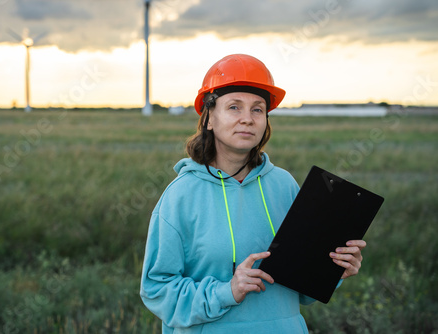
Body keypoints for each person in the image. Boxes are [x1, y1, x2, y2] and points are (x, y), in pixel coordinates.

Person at [140, 54, 366, 333]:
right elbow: (157, 290)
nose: (247, 119)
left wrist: (333, 271)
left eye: (257, 110)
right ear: (209, 118)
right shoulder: (180, 196)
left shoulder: (284, 185)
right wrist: (227, 291)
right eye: (234, 107)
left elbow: (303, 291)